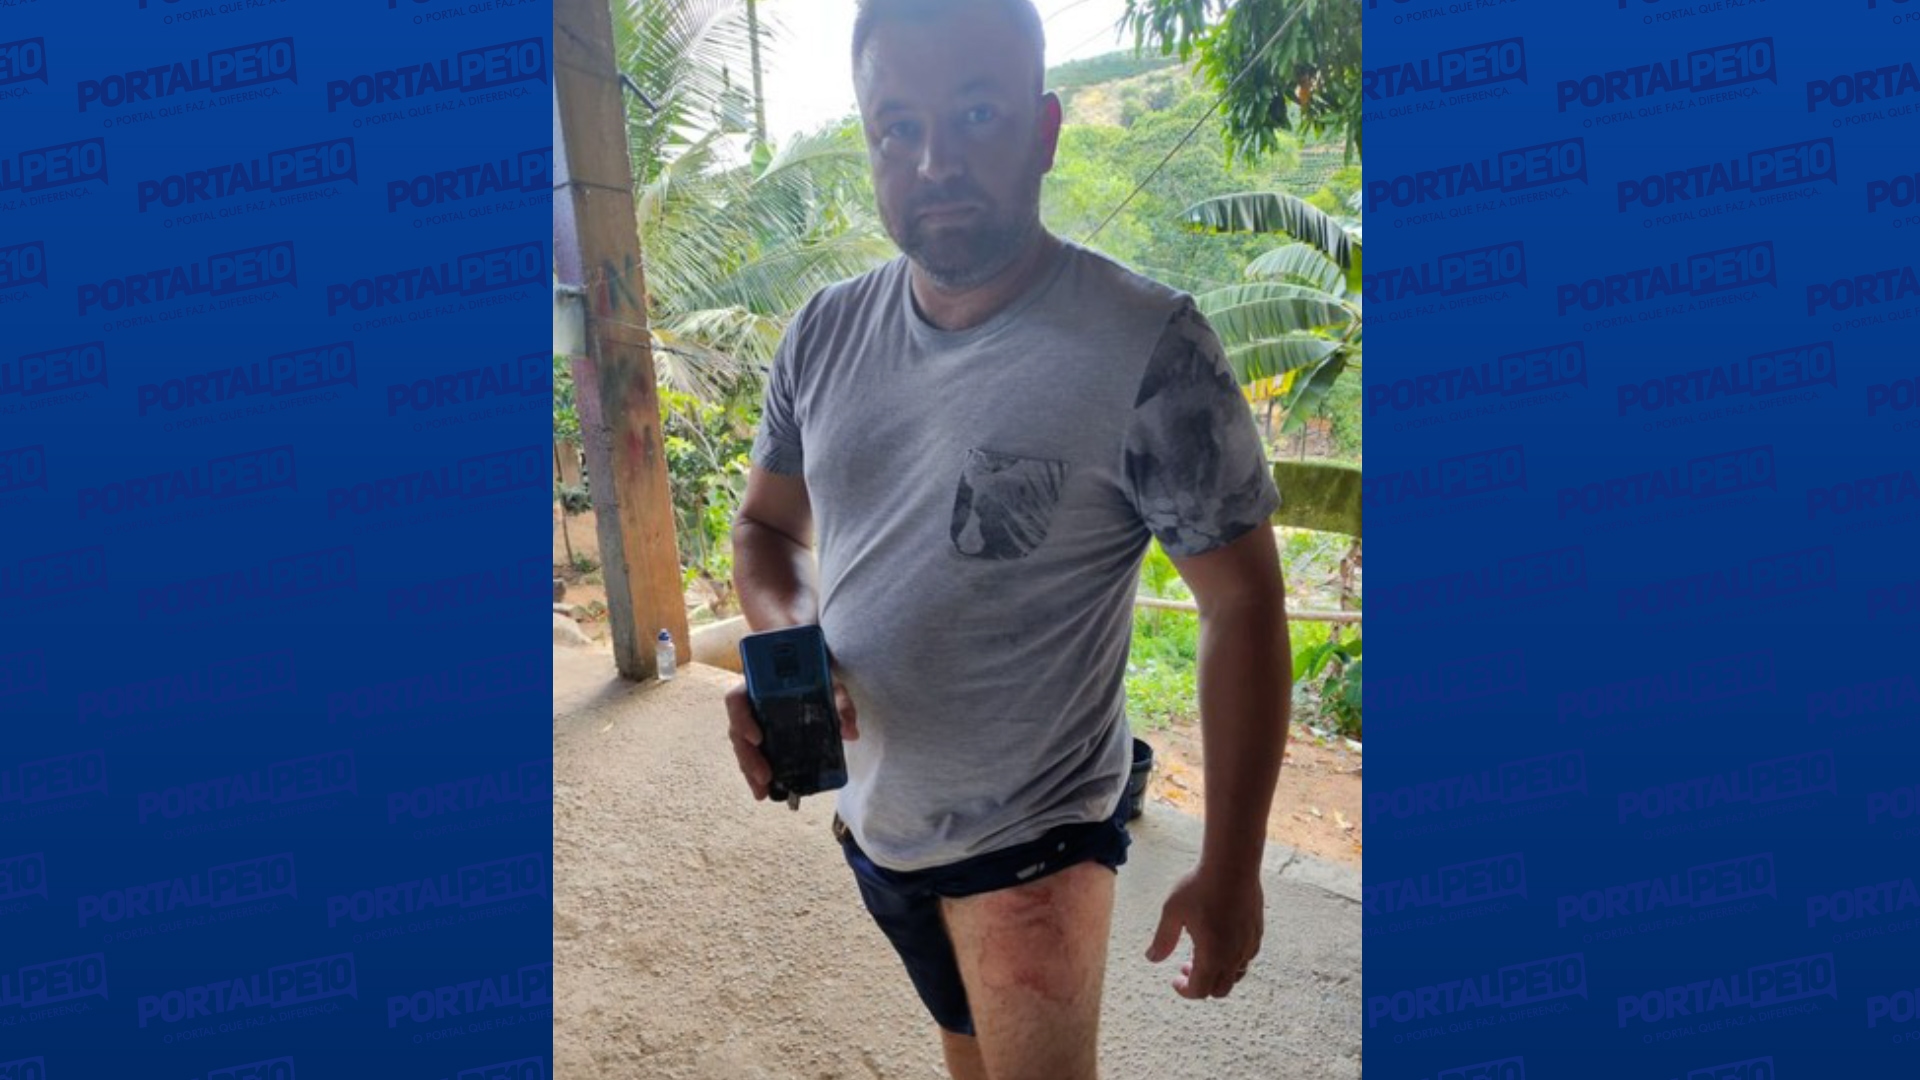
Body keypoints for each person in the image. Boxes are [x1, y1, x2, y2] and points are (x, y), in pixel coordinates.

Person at [724, 1, 1291, 1077]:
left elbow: (1242, 602)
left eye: (976, 115)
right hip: (878, 822)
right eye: (898, 127)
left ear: (1044, 131)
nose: (933, 161)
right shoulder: (823, 334)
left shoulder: (1148, 345)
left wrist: (1234, 863)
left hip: (1038, 840)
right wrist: (790, 643)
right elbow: (764, 528)